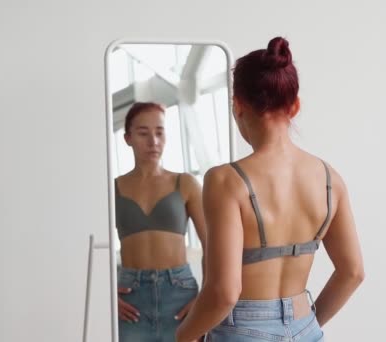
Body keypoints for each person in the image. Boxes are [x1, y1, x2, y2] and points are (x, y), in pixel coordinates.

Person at [176, 37, 365, 342]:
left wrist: (185, 335)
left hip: (242, 330)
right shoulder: (331, 179)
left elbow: (225, 291)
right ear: (295, 105)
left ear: (237, 105)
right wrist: (307, 323)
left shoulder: (226, 180)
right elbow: (352, 272)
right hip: (306, 327)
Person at [114, 102, 206, 342]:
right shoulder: (111, 188)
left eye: (159, 132)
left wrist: (205, 297)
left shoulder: (185, 183)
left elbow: (215, 246)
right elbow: (91, 246)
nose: (153, 141)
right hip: (131, 300)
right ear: (127, 138)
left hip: (180, 295)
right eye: (143, 133)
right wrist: (108, 295)